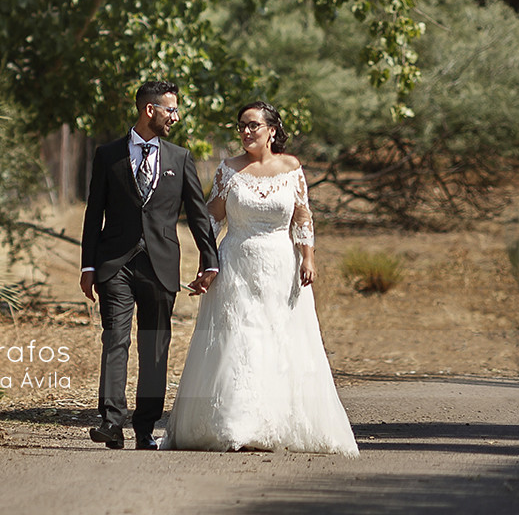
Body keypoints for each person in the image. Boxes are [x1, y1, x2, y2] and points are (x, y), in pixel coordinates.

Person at [160, 101, 358, 454]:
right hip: (236, 264)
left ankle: (278, 421)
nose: (246, 132)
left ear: (271, 130)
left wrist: (307, 258)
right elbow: (213, 219)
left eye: (253, 125)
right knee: (240, 340)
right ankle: (237, 423)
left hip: (282, 266)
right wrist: (207, 262)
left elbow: (302, 217)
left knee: (279, 340)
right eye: (241, 126)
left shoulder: (291, 168)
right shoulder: (228, 170)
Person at [80, 81, 220, 450]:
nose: (175, 117)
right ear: (150, 110)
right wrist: (87, 266)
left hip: (160, 264)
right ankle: (111, 421)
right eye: (170, 110)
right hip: (115, 264)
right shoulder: (107, 154)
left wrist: (210, 260)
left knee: (154, 346)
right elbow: (94, 212)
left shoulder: (180, 158)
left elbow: (196, 215)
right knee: (115, 340)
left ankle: (144, 428)